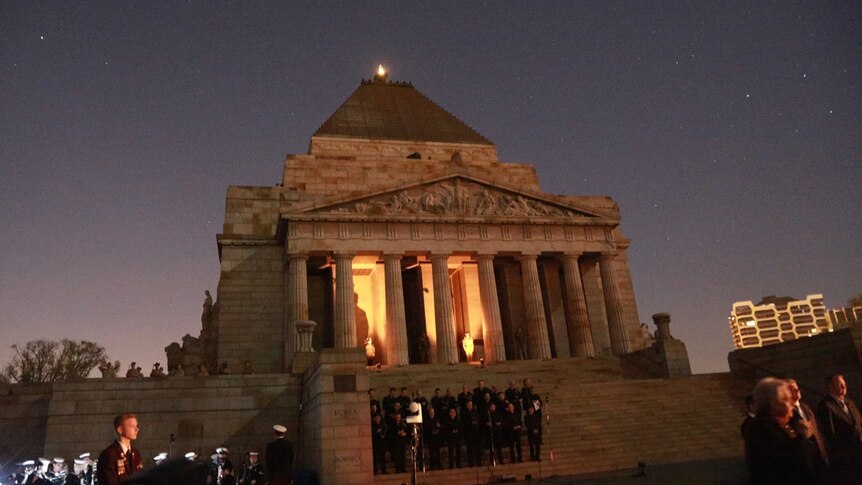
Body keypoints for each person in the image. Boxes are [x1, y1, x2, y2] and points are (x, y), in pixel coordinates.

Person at [745, 377, 815, 484]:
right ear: (773, 404)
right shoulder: (763, 429)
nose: (792, 403)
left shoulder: (781, 424)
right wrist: (802, 436)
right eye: (786, 399)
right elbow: (788, 461)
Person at [817, 373, 862, 480]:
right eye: (839, 384)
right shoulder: (826, 405)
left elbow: (859, 422)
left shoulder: (849, 402)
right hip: (847, 453)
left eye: (844, 384)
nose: (844, 387)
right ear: (830, 387)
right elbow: (830, 432)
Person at [786, 379, 827, 476]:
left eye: (797, 389)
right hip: (804, 456)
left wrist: (823, 451)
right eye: (793, 390)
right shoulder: (786, 412)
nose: (797, 391)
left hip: (818, 453)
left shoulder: (805, 407)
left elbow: (816, 430)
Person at [96, 414, 143, 485]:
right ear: (120, 430)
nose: (137, 429)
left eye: (136, 426)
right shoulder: (109, 455)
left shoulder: (136, 453)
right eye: (132, 426)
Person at [461, 400, 482, 467]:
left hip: (476, 432)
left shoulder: (474, 411)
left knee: (478, 448)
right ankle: (471, 463)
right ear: (467, 405)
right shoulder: (464, 412)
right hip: (469, 433)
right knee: (470, 449)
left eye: (471, 404)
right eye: (469, 404)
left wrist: (476, 421)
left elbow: (478, 418)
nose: (470, 406)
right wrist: (471, 423)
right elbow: (464, 422)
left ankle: (479, 462)